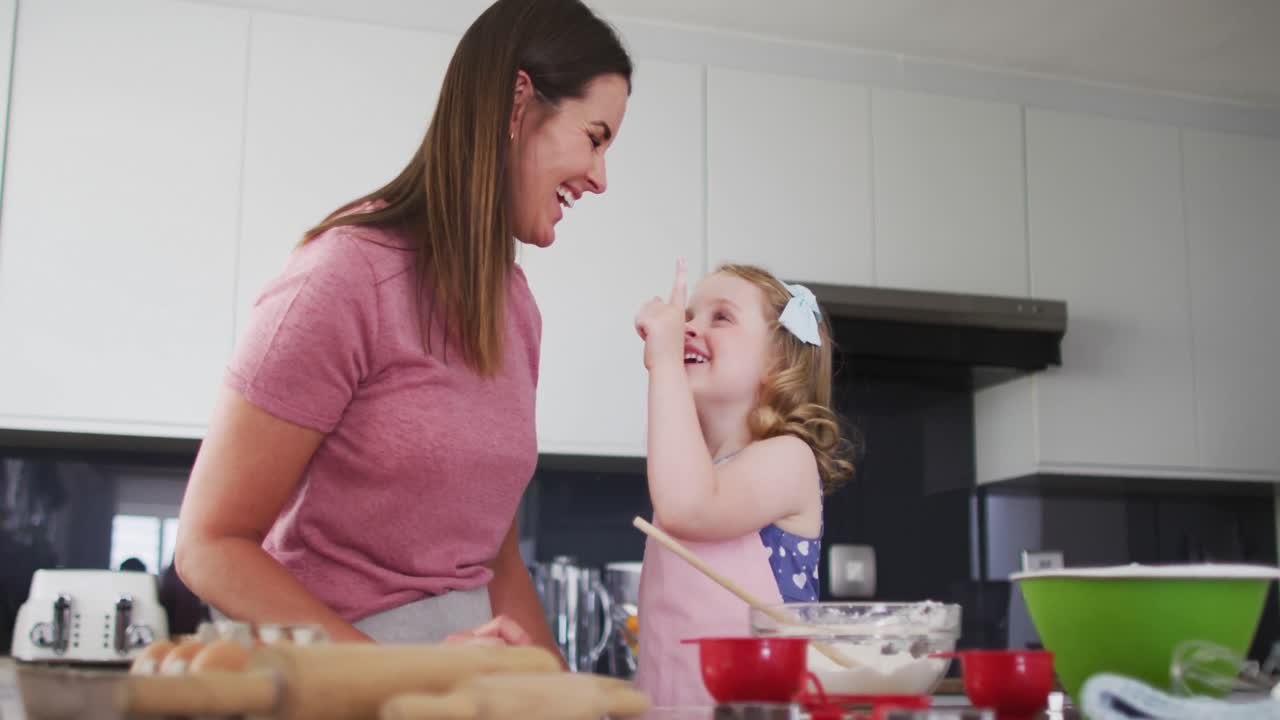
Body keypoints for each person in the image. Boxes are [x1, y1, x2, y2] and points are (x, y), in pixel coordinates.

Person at [174, 0, 631, 652]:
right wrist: (399, 681)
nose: (601, 178)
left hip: (456, 688)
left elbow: (494, 565)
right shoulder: (346, 276)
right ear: (517, 103)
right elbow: (209, 546)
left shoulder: (517, 310)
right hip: (336, 689)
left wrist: (561, 698)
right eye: (595, 137)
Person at [632, 260, 855, 706]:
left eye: (721, 316)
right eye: (689, 315)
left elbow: (688, 507)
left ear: (777, 364)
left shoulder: (789, 458)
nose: (688, 327)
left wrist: (664, 363)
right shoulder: (697, 471)